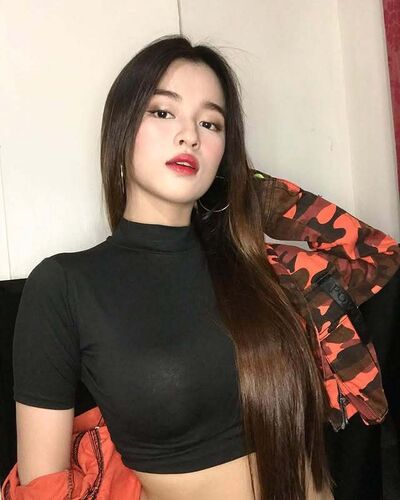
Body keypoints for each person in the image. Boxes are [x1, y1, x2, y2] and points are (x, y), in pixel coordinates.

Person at [11, 34, 400, 500]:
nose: (190, 135)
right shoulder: (65, 286)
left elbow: (379, 258)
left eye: (210, 123)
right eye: (163, 112)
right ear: (120, 129)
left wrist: (243, 193)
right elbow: (44, 487)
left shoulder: (264, 268)